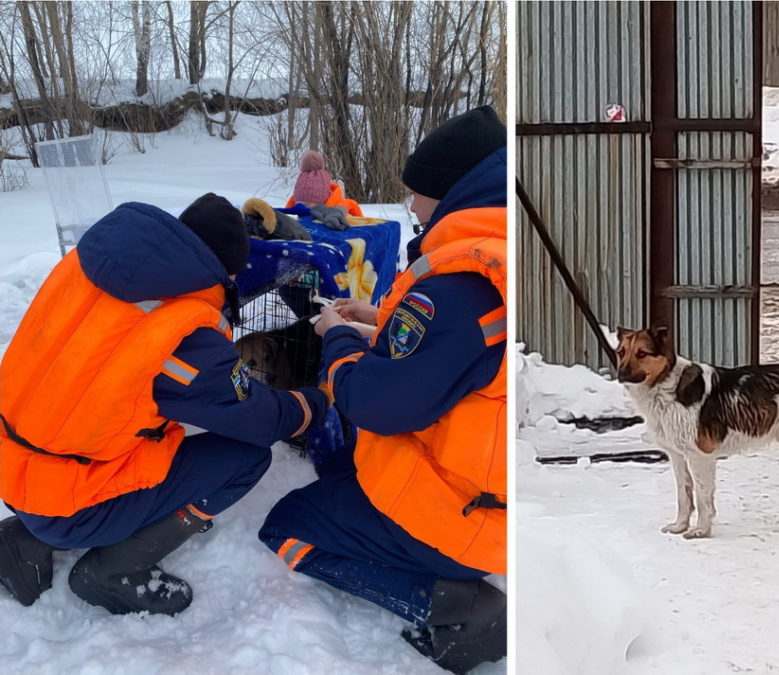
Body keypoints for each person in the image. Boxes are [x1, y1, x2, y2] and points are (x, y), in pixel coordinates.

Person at [258, 105, 507, 673]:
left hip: (463, 512)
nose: (411, 207)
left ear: (450, 192)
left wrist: (338, 339)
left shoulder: (457, 288)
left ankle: (451, 603)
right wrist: (380, 320)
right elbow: (457, 351)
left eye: (416, 194)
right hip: (481, 483)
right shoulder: (496, 256)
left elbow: (372, 402)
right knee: (346, 471)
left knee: (285, 526)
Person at [0, 194, 329, 616]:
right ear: (227, 271)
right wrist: (317, 401)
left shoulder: (89, 270)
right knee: (245, 458)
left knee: (131, 431)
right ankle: (116, 569)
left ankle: (24, 538)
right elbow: (262, 421)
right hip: (67, 500)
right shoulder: (179, 336)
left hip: (14, 466)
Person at [286, 149, 364, 220]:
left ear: (323, 201)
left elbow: (351, 204)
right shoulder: (299, 201)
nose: (302, 207)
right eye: (299, 203)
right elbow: (288, 208)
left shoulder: (337, 205)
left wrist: (360, 222)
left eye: (307, 204)